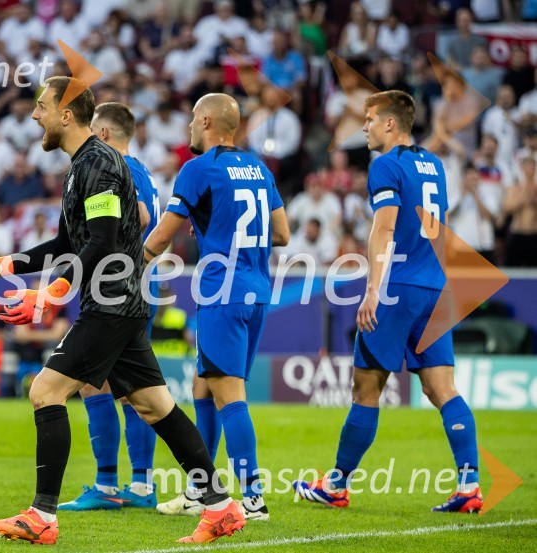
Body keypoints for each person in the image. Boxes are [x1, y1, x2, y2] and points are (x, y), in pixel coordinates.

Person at [0, 76, 243, 545]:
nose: (33, 115)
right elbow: (69, 243)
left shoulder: (99, 164)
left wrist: (47, 294)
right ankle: (221, 507)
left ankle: (41, 516)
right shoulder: (81, 165)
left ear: (66, 114)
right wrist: (1, 265)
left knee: (45, 391)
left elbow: (102, 240)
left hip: (111, 304)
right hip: (119, 303)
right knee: (155, 405)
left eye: (41, 106)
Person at [292, 90, 483, 514]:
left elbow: (383, 230)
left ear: (391, 124)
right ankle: (469, 484)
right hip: (435, 287)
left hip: (397, 289)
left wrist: (374, 289)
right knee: (442, 388)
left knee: (366, 389)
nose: (364, 127)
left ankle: (336, 485)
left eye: (370, 119)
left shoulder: (385, 166)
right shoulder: (433, 165)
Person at [142, 93, 289, 522]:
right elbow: (281, 234)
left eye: (192, 118)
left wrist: (127, 268)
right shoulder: (260, 169)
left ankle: (254, 498)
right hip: (255, 290)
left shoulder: (197, 169)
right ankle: (199, 489)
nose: (188, 125)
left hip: (222, 292)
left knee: (228, 393)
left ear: (206, 121)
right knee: (205, 386)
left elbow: (160, 237)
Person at [55, 102, 162, 512]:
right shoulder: (141, 170)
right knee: (133, 392)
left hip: (113, 290)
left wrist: (94, 236)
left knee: (95, 384)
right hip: (131, 288)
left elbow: (141, 213)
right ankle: (138, 486)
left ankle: (109, 485)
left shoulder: (118, 167)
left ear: (102, 131)